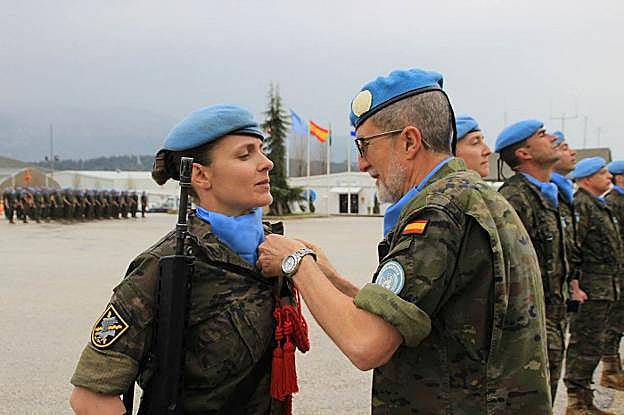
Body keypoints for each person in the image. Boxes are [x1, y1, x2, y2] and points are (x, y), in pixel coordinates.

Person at [257, 68, 551, 413]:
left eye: (365, 145)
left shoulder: (438, 212)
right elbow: (409, 310)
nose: (362, 163)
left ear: (410, 141)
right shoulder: (469, 195)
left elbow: (366, 344)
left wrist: (296, 262)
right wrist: (330, 278)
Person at [69, 104, 292, 415]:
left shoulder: (273, 249)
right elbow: (90, 398)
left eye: (261, 151)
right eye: (245, 155)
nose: (267, 163)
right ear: (200, 175)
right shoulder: (164, 266)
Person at [494, 120, 569, 402]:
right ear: (524, 153)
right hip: (528, 326)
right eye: (542, 135)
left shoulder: (549, 194)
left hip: (553, 316)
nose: (553, 139)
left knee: (546, 396)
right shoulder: (513, 199)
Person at [564, 157, 622, 415]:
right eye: (602, 173)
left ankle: (585, 401)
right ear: (587, 179)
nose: (608, 177)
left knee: (594, 343)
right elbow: (573, 247)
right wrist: (575, 286)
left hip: (604, 287)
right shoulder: (582, 205)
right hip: (589, 289)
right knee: (584, 345)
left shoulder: (597, 204)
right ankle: (576, 403)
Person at [602, 160, 624, 390]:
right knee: (614, 321)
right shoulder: (613, 202)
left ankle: (615, 367)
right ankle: (610, 369)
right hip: (616, 272)